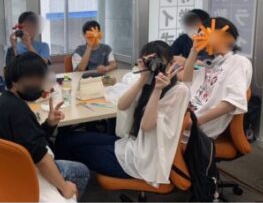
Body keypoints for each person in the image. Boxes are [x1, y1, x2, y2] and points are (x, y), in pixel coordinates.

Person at [55, 41, 189, 185]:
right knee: (69, 139)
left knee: (76, 150)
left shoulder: (179, 91)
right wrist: (143, 78)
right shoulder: (148, 82)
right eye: (150, 62)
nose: (156, 67)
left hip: (141, 161)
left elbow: (146, 126)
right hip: (130, 144)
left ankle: (63, 182)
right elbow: (122, 105)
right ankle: (58, 179)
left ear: (171, 64)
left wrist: (158, 90)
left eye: (159, 62)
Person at [0, 52, 90, 202]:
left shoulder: (5, 101)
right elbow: (41, 159)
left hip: (4, 171)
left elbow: (30, 140)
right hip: (21, 176)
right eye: (34, 79)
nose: (40, 84)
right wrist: (65, 189)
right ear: (15, 81)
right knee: (82, 172)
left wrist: (49, 124)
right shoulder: (18, 110)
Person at [182, 17, 252, 140]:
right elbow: (186, 81)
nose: (204, 39)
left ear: (228, 37)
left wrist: (196, 122)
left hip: (198, 127)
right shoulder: (211, 64)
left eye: (207, 34)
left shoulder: (238, 61)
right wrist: (194, 50)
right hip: (185, 116)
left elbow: (233, 102)